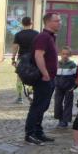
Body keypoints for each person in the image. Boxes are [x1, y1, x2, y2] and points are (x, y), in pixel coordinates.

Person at [24, 13, 62, 145]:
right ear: (48, 22)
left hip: (49, 78)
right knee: (37, 106)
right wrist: (45, 73)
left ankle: (38, 132)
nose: (60, 23)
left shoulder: (50, 37)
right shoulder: (43, 37)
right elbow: (38, 55)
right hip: (43, 79)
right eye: (57, 21)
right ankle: (30, 134)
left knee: (43, 106)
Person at [11, 17, 38, 104]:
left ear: (22, 24)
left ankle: (19, 97)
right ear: (31, 23)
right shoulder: (37, 34)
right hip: (33, 59)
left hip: (21, 58)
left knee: (19, 77)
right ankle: (31, 95)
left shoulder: (18, 34)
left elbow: (15, 47)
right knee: (33, 77)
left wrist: (13, 58)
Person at [53, 47, 78, 128]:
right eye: (63, 54)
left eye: (67, 54)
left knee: (68, 103)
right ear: (60, 54)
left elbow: (77, 77)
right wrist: (54, 83)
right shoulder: (57, 64)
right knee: (57, 103)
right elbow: (53, 75)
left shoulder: (72, 65)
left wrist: (74, 86)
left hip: (69, 88)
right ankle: (60, 118)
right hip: (58, 87)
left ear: (70, 55)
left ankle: (65, 121)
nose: (65, 56)